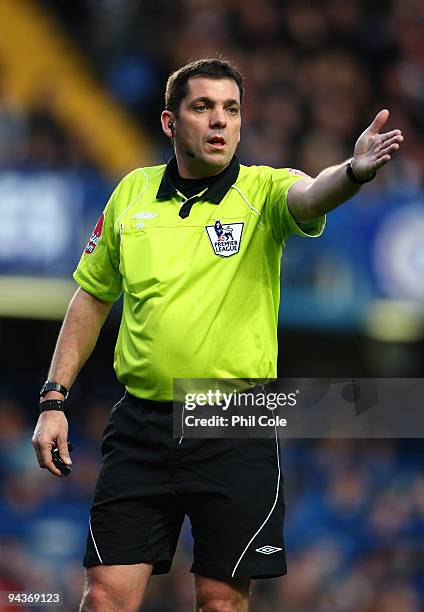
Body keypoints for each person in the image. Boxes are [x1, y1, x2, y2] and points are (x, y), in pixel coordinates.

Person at [32, 58, 403, 611]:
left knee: (220, 602)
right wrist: (54, 398)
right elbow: (91, 296)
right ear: (169, 122)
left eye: (230, 109)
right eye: (202, 107)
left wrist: (352, 170)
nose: (219, 122)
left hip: (234, 418)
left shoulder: (263, 189)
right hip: (141, 421)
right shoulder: (131, 194)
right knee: (106, 595)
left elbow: (312, 194)